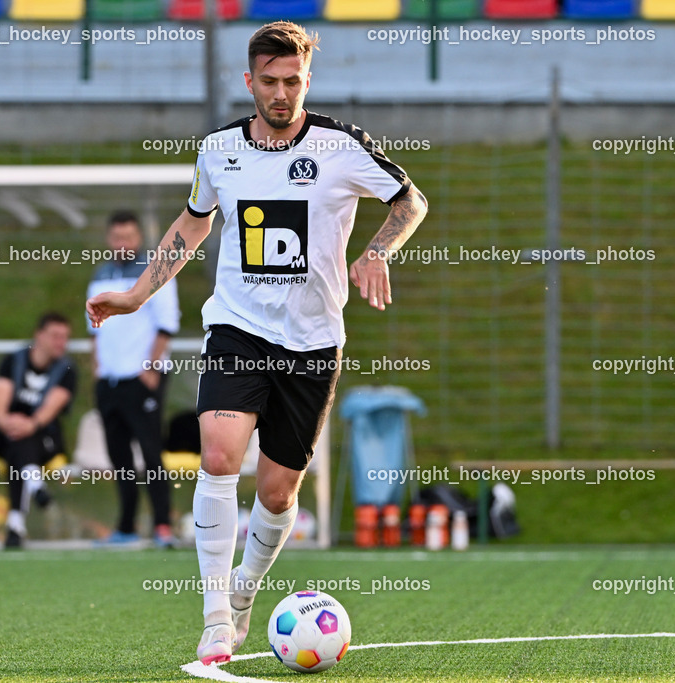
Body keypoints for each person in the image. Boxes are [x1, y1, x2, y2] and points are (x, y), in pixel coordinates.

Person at [87, 21, 428, 664]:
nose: (281, 93)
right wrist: (137, 294)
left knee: (276, 493)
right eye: (268, 82)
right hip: (238, 329)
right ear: (249, 82)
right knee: (218, 456)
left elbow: (410, 201)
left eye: (292, 82)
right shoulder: (218, 150)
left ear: (308, 80)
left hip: (313, 343)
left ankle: (245, 590)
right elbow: (194, 221)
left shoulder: (341, 146)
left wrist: (377, 250)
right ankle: (217, 614)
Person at [86, 210, 180, 547]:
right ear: (109, 239)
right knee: (119, 459)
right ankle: (126, 527)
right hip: (109, 382)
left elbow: (166, 324)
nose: (122, 243)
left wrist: (150, 369)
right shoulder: (100, 275)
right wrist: (98, 369)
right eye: (117, 237)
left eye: (128, 237)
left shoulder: (155, 272)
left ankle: (162, 526)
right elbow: (94, 329)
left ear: (138, 238)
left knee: (152, 453)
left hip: (141, 379)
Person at [0, 312, 76, 549]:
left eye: (65, 337)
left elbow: (49, 410)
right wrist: (10, 423)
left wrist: (28, 425)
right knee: (18, 444)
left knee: (23, 443)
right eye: (55, 336)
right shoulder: (14, 361)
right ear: (39, 335)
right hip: (7, 436)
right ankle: (34, 486)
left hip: (43, 438)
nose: (61, 342)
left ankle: (16, 524)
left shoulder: (67, 369)